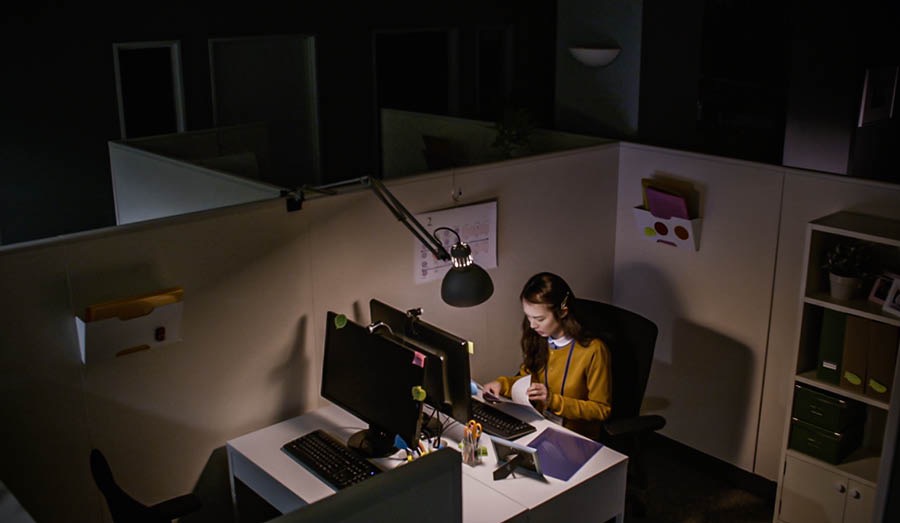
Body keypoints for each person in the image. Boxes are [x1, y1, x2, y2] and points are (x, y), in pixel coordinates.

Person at [483, 272, 611, 440]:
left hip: (576, 437)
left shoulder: (593, 350)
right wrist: (502, 384)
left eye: (539, 319)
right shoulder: (539, 338)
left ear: (563, 312)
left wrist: (552, 400)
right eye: (528, 317)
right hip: (540, 427)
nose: (532, 325)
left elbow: (601, 410)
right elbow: (527, 381)